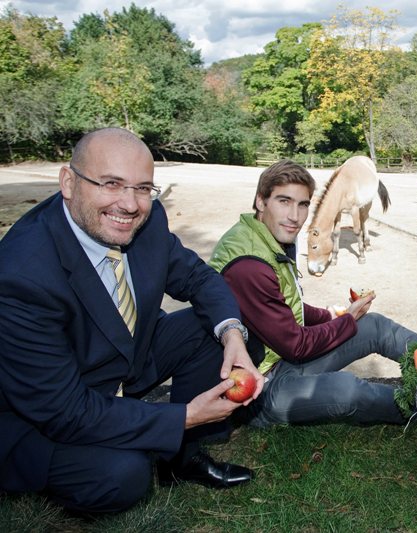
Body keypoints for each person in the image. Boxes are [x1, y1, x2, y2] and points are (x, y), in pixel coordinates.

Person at [0, 128, 265, 513]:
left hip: (122, 360)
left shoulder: (146, 219)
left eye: (143, 188)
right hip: (48, 408)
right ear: (69, 182)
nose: (129, 205)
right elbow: (64, 411)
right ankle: (47, 473)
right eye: (111, 184)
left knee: (226, 329)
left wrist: (232, 335)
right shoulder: (20, 276)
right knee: (124, 476)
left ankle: (180, 457)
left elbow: (199, 277)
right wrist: (185, 416)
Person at [209, 160, 417, 427]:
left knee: (374, 325)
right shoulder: (248, 265)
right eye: (284, 201)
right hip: (261, 390)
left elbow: (286, 306)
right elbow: (297, 346)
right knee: (347, 391)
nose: (295, 216)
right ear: (260, 202)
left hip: (283, 360)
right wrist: (345, 320)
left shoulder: (267, 234)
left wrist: (334, 315)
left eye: (302, 204)